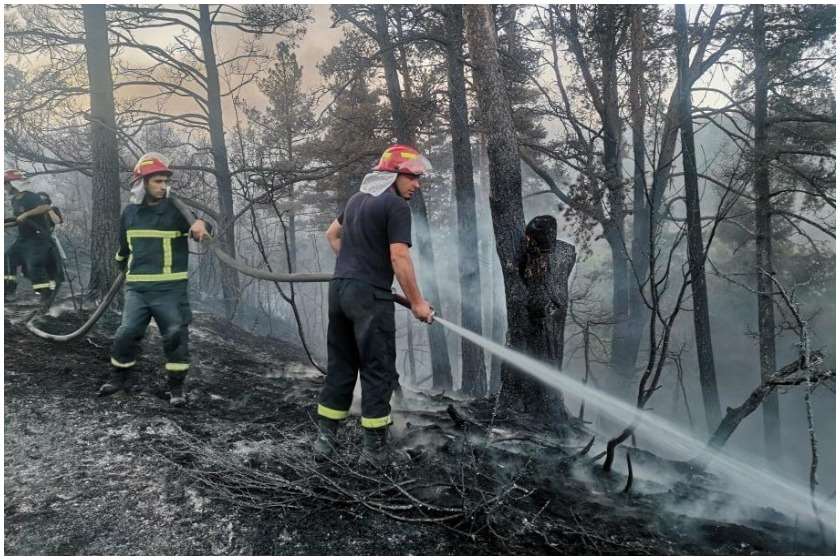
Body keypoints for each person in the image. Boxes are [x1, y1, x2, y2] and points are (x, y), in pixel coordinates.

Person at [314, 144, 435, 462]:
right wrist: (418, 303)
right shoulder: (395, 206)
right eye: (411, 177)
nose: (416, 184)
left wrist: (356, 267)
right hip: (370, 298)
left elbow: (331, 234)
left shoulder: (357, 200)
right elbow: (399, 256)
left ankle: (324, 443)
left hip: (340, 291)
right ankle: (374, 452)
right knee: (376, 370)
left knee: (340, 367)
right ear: (394, 175)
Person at [97, 153, 210, 407]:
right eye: (158, 181)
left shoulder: (176, 210)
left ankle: (176, 388)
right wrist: (121, 265)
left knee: (174, 335)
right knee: (126, 332)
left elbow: (202, 227)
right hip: (138, 288)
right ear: (142, 183)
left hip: (170, 289)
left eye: (165, 181)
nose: (163, 186)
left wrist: (202, 224)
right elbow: (123, 249)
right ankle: (118, 378)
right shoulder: (129, 213)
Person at [4, 170, 63, 305]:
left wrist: (26, 215)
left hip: (38, 238)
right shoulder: (14, 200)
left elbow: (45, 207)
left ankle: (45, 295)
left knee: (33, 265)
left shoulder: (31, 197)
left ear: (13, 184)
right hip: (23, 238)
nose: (4, 187)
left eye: (6, 184)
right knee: (8, 257)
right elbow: (17, 219)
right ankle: (8, 291)